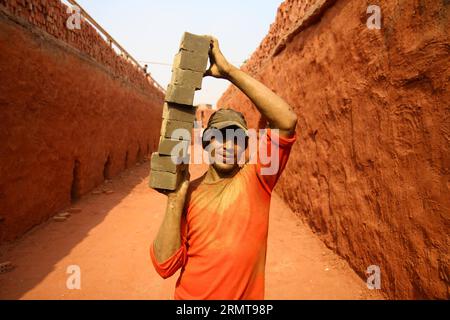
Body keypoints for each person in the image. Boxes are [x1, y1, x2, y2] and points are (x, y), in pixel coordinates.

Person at [150, 36, 298, 300]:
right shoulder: (190, 193)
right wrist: (175, 200)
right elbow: (164, 266)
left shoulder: (258, 179)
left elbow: (286, 120)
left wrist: (229, 72)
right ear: (206, 143)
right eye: (221, 136)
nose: (229, 144)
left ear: (245, 149)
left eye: (238, 138)